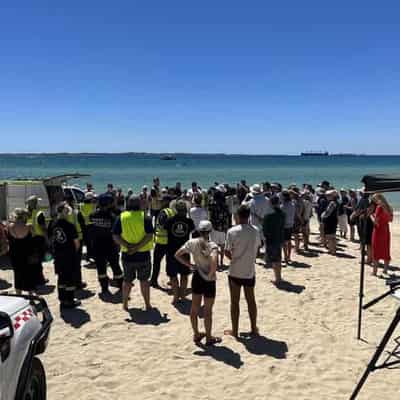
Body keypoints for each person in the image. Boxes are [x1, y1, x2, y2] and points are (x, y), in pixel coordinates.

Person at [175, 220, 221, 346]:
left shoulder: (192, 242)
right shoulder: (212, 245)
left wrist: (190, 265)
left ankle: (196, 333)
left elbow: (178, 255)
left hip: (197, 276)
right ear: (210, 231)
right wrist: (211, 274)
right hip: (208, 280)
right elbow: (214, 260)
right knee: (208, 311)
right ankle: (209, 337)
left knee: (194, 308)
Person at [224, 205, 261, 338]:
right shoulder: (255, 230)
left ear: (238, 216)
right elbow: (258, 248)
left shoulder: (232, 231)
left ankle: (235, 331)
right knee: (251, 300)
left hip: (235, 271)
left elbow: (227, 251)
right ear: (249, 215)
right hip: (249, 271)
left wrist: (235, 259)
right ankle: (253, 328)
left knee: (235, 302)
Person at [113, 195, 154, 311]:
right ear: (139, 204)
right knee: (144, 281)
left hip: (127, 254)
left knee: (127, 281)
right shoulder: (145, 217)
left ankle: (125, 304)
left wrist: (128, 245)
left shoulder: (121, 217)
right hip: (143, 254)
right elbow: (149, 236)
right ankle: (147, 304)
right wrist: (137, 247)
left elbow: (115, 236)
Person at [90, 193, 124, 294]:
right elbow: (116, 232)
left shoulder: (92, 216)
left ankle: (104, 288)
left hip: (97, 246)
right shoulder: (112, 217)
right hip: (110, 246)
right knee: (115, 266)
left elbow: (91, 230)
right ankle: (121, 285)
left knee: (101, 269)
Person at [49, 202, 81, 308]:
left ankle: (62, 299)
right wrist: (74, 253)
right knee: (70, 279)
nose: (68, 213)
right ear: (64, 212)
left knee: (61, 278)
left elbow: (51, 239)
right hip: (69, 255)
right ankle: (70, 300)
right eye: (67, 211)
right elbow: (76, 243)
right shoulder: (69, 226)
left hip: (58, 255)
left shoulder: (53, 223)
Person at [165, 201, 195, 304]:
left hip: (171, 250)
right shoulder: (189, 221)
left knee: (172, 275)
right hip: (184, 250)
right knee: (184, 274)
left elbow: (164, 229)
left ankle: (176, 296)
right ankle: (182, 295)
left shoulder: (169, 221)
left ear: (176, 209)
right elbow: (192, 231)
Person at [7, 209, 38, 295]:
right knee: (29, 274)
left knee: (17, 274)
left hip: (15, 255)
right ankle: (30, 296)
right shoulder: (29, 227)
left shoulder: (10, 227)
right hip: (28, 255)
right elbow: (35, 240)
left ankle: (18, 295)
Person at [151, 195, 176, 288]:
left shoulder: (164, 212)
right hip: (170, 242)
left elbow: (161, 225)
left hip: (161, 242)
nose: (160, 202)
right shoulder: (173, 212)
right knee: (170, 262)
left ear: (166, 201)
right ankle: (171, 280)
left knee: (156, 262)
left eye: (162, 201)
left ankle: (154, 280)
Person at [26, 195, 48, 287]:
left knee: (32, 260)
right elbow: (43, 228)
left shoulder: (26, 213)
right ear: (35, 203)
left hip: (28, 238)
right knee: (38, 260)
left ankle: (34, 278)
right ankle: (40, 280)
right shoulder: (39, 213)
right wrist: (47, 238)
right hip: (38, 239)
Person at [263, 197, 286, 284]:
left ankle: (278, 278)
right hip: (279, 237)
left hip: (271, 239)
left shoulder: (268, 216)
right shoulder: (283, 214)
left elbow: (265, 230)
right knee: (278, 258)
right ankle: (279, 277)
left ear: (270, 203)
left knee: (275, 260)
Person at [371, 193, 393, 276]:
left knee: (376, 249)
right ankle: (385, 270)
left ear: (378, 199)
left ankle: (374, 271)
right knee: (386, 249)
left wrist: (371, 216)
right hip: (386, 229)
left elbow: (376, 222)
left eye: (375, 200)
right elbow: (390, 219)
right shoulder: (389, 207)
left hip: (378, 230)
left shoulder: (379, 207)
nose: (375, 202)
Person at [208, 189, 231, 267]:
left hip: (214, 228)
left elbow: (210, 215)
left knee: (215, 247)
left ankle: (217, 263)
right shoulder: (225, 205)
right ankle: (221, 261)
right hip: (223, 228)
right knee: (222, 246)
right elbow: (228, 217)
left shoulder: (212, 205)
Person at [80, 192, 96, 261]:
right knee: (93, 242)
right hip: (92, 225)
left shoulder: (81, 205)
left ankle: (88, 256)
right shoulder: (93, 205)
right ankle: (92, 255)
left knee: (87, 242)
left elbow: (81, 214)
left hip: (84, 225)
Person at [322, 190, 339, 255]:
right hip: (334, 220)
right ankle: (333, 249)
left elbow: (327, 212)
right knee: (333, 236)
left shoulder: (332, 203)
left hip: (330, 221)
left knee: (330, 236)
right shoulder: (336, 202)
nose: (326, 196)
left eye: (328, 195)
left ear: (332, 196)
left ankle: (332, 250)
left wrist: (323, 216)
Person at [281, 190, 295, 264]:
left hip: (284, 225)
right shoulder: (292, 204)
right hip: (290, 224)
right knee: (289, 241)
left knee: (284, 242)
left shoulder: (283, 206)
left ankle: (286, 257)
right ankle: (289, 256)